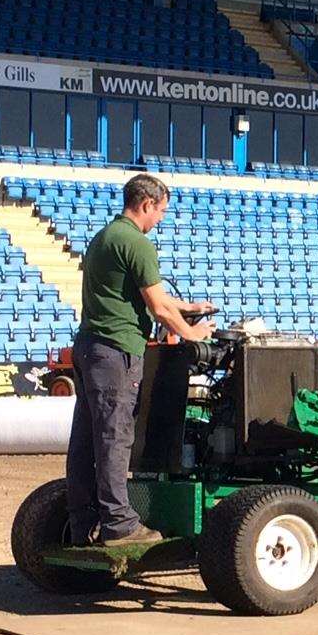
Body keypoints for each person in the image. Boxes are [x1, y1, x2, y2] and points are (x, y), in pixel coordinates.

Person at [67, 173, 214, 547]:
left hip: (90, 347)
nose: (161, 218)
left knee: (86, 439)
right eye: (161, 211)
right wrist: (194, 333)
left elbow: (131, 294)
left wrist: (190, 307)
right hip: (117, 350)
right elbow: (158, 306)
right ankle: (120, 524)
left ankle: (83, 522)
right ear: (146, 204)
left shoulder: (105, 238)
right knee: (116, 438)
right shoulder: (137, 243)